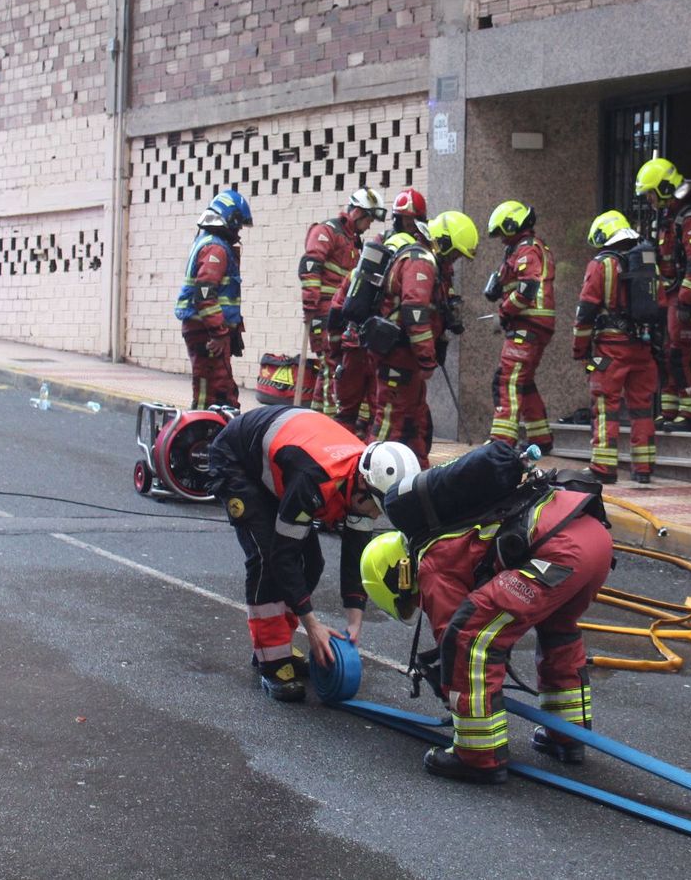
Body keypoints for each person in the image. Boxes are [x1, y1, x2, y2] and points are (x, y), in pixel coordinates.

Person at [360, 442, 613, 784]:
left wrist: (451, 691)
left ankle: (477, 757)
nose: (415, 603)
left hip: (560, 551)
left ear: (397, 577)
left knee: (471, 638)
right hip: (592, 535)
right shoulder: (448, 526)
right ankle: (567, 738)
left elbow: (457, 635)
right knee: (559, 630)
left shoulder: (431, 561)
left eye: (407, 600)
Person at [207, 406, 422, 701]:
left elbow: (355, 552)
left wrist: (354, 619)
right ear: (362, 485)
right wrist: (312, 625)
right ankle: (271, 662)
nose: (374, 514)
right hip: (237, 460)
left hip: (283, 461)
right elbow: (282, 556)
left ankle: (275, 644)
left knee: (311, 562)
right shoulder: (316, 479)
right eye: (374, 507)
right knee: (267, 559)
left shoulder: (365, 480)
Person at [329, 187, 427, 436]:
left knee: (350, 411)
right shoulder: (413, 255)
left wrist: (334, 348)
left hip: (358, 339)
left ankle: (345, 461)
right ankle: (368, 464)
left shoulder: (376, 247)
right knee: (377, 411)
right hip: (381, 345)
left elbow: (341, 302)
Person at [573, 211, 659, 485]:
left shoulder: (601, 265)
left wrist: (580, 350)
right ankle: (643, 468)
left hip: (608, 353)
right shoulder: (646, 263)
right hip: (642, 349)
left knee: (604, 405)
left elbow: (586, 310)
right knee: (642, 407)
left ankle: (603, 467)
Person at [636, 157, 691, 431]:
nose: (650, 201)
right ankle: (670, 411)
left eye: (651, 194)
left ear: (665, 188)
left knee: (682, 354)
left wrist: (685, 301)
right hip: (669, 296)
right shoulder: (668, 219)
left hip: (684, 301)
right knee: (666, 353)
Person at [300, 188, 385, 415]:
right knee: (332, 367)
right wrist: (310, 305)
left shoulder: (353, 242)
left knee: (328, 368)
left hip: (340, 313)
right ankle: (329, 424)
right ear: (357, 212)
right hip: (324, 313)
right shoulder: (326, 231)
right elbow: (310, 265)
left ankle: (316, 417)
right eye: (368, 219)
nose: (369, 226)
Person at [367, 218, 442, 466]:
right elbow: (415, 312)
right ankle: (366, 481)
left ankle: (418, 476)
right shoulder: (420, 261)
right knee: (390, 421)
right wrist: (427, 359)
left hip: (406, 359)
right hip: (399, 356)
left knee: (414, 420)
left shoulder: (419, 259)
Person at [484, 200, 555, 453]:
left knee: (508, 380)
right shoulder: (527, 248)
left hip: (526, 325)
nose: (502, 239)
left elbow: (527, 288)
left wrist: (503, 311)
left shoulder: (526, 249)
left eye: (503, 232)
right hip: (534, 326)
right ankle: (540, 439)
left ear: (513, 225)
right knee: (524, 382)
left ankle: (502, 442)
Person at [175, 189, 251, 410]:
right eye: (237, 225)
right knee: (213, 391)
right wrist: (218, 333)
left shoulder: (207, 242)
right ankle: (202, 436)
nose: (238, 231)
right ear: (229, 220)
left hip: (205, 328)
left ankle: (207, 435)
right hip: (207, 331)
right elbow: (205, 294)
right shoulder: (215, 248)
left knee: (217, 388)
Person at [426, 210, 479, 365]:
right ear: (445, 242)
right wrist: (425, 355)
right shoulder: (422, 262)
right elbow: (415, 308)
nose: (455, 259)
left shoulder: (443, 266)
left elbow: (444, 293)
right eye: (456, 254)